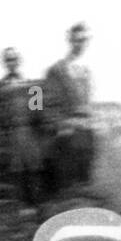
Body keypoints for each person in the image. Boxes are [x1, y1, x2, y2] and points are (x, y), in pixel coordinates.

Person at [0, 47, 42, 204]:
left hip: (30, 139)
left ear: (19, 61)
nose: (11, 63)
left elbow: (38, 116)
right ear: (3, 62)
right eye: (8, 60)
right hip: (9, 140)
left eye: (14, 59)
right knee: (14, 181)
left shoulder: (33, 88)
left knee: (34, 179)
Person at [40, 22, 96, 193]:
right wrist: (61, 125)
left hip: (86, 134)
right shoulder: (55, 70)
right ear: (69, 40)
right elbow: (38, 103)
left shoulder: (86, 71)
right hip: (66, 137)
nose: (80, 44)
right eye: (76, 40)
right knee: (67, 187)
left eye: (83, 40)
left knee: (85, 183)